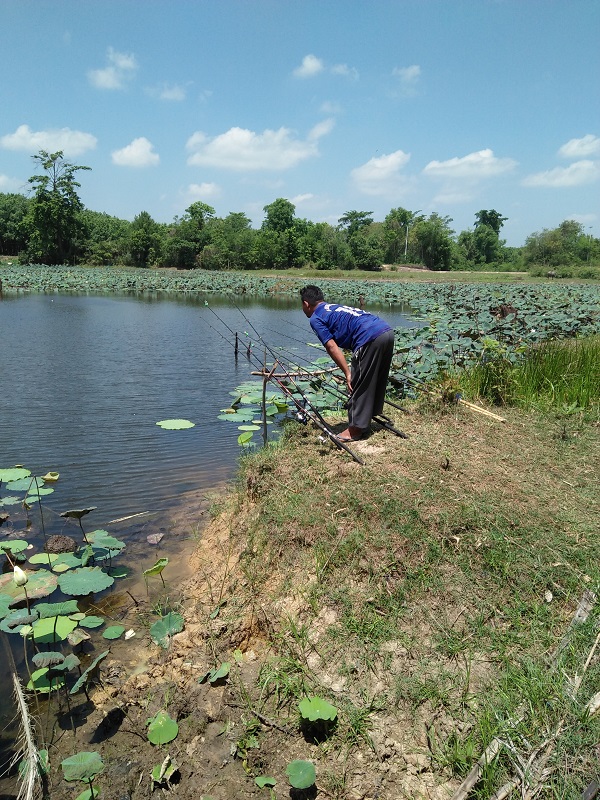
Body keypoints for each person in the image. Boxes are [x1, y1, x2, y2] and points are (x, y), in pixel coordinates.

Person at [300, 285, 394, 442]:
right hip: (386, 331)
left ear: (306, 304)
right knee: (374, 378)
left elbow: (331, 346)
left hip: (369, 337)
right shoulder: (333, 307)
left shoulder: (316, 318)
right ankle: (368, 417)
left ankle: (355, 430)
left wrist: (347, 373)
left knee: (358, 382)